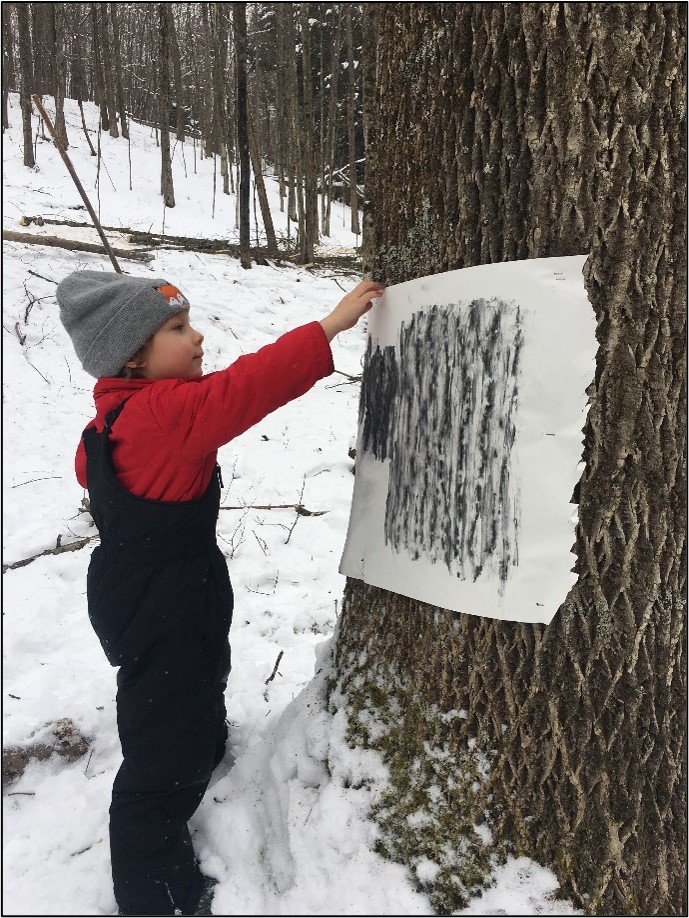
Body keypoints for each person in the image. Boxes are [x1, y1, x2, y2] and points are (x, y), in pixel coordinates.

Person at [56, 270, 385, 917]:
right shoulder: (162, 415)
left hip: (162, 585)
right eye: (177, 329)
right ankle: (153, 886)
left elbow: (89, 466)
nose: (197, 336)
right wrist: (328, 327)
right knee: (164, 731)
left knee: (197, 674)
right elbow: (244, 389)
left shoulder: (114, 416)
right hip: (162, 598)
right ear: (134, 355)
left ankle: (200, 743)